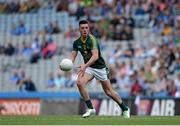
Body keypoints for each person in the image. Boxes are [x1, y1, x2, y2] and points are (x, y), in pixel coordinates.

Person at [69, 20, 130, 118]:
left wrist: (84, 66)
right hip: (89, 68)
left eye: (86, 28)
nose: (85, 30)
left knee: (108, 92)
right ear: (79, 29)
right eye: (82, 28)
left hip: (100, 68)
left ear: (88, 29)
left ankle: (125, 108)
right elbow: (72, 58)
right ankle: (91, 109)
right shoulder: (76, 43)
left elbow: (95, 56)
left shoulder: (92, 39)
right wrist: (66, 64)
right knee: (79, 82)